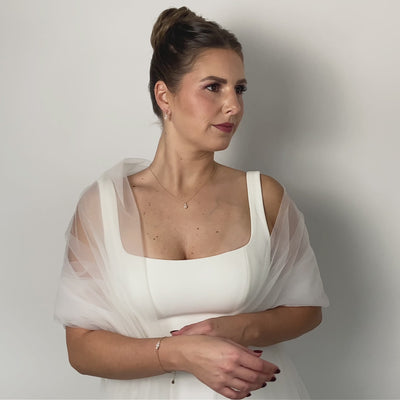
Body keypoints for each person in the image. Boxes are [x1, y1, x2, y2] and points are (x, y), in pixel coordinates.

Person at [55, 6, 329, 399]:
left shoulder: (263, 196)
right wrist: (179, 353)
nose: (234, 106)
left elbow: (306, 309)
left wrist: (232, 329)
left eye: (239, 89)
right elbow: (81, 348)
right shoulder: (105, 206)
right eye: (213, 87)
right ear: (164, 96)